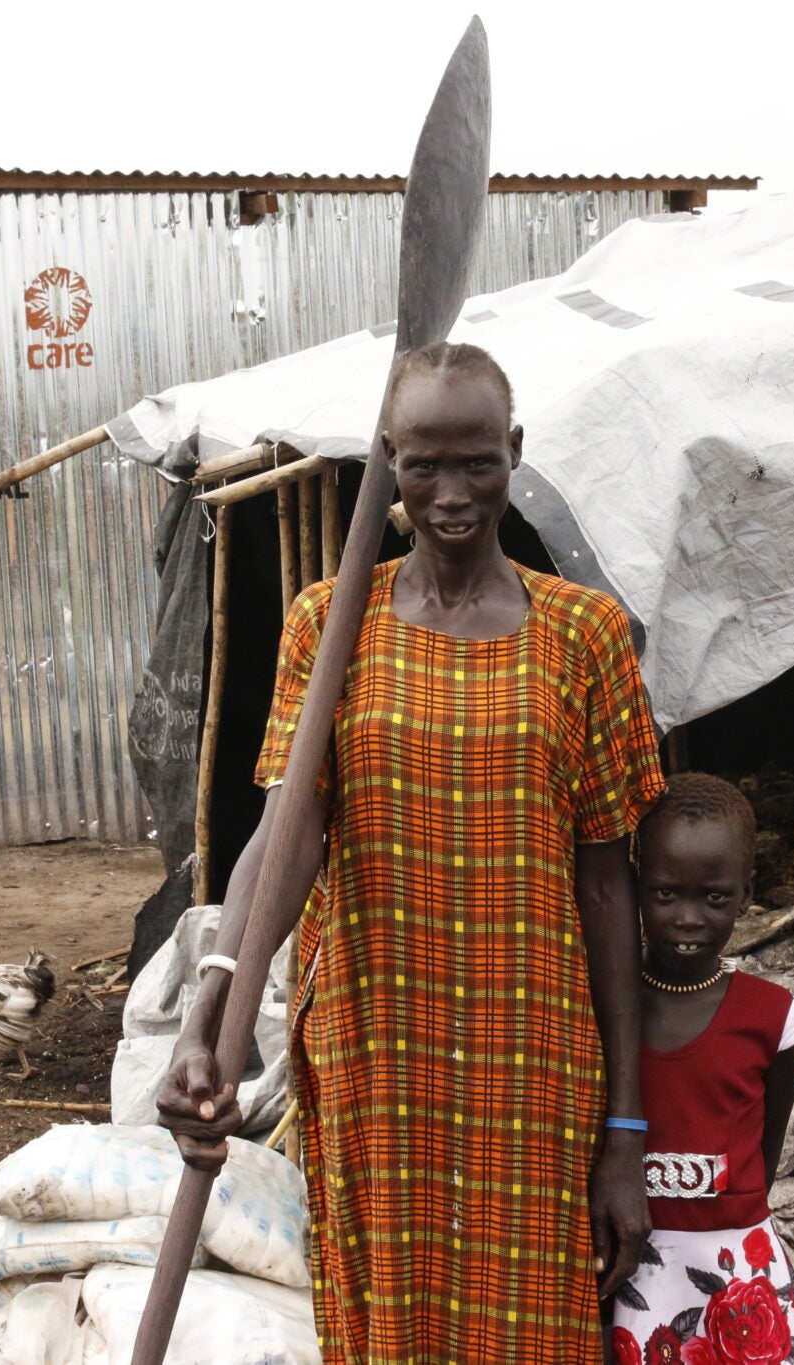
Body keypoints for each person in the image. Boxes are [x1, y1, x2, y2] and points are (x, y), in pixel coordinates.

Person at [156, 340, 667, 1363]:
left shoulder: (583, 633)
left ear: (513, 451)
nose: (450, 493)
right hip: (376, 1049)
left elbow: (609, 889)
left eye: (475, 460)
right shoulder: (328, 624)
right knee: (387, 1330)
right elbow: (285, 835)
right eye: (421, 463)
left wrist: (622, 1129)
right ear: (384, 459)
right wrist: (213, 1004)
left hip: (533, 1060)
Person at [612, 772, 794, 1365]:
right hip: (635, 1257)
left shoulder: (771, 1015)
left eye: (714, 898)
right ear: (636, 887)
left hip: (733, 1262)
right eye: (665, 894)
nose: (688, 918)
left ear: (746, 893)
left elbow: (765, 1149)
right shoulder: (607, 1007)